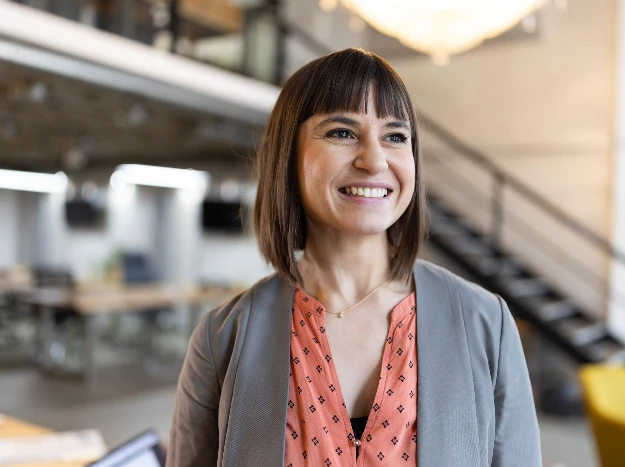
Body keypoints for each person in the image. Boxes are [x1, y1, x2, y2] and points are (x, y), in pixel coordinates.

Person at [167, 48, 541, 467]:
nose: (375, 160)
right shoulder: (223, 338)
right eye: (343, 132)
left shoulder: (486, 323)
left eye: (395, 136)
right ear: (287, 156)